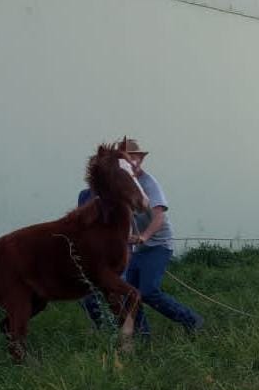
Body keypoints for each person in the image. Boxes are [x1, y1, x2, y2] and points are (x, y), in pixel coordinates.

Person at [80, 139, 203, 336]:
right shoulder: (119, 184)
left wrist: (144, 237)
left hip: (157, 245)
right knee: (130, 294)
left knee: (148, 292)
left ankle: (192, 321)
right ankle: (142, 335)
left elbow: (159, 216)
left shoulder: (148, 183)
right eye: (128, 159)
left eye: (136, 158)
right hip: (133, 248)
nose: (133, 162)